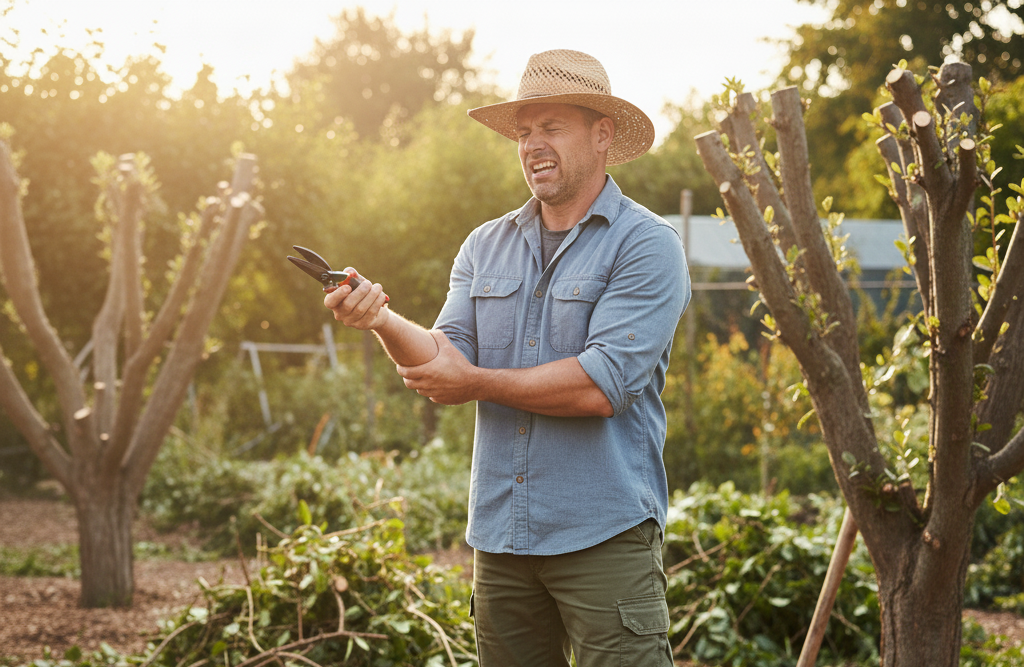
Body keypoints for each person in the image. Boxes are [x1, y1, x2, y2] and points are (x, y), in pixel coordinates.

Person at [324, 49, 690, 667]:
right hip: (502, 540)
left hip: (603, 537)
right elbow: (444, 362)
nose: (532, 145)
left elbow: (599, 387)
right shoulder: (484, 245)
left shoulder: (648, 245)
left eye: (551, 127)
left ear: (602, 135)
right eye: (524, 132)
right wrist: (380, 318)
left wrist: (472, 380)